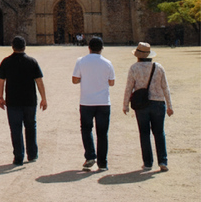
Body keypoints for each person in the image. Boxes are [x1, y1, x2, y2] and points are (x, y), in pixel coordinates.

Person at [0, 36, 48, 166]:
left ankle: (18, 157)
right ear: (24, 47)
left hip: (13, 101)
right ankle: (32, 154)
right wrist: (43, 98)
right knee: (31, 127)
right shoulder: (32, 61)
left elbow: (1, 81)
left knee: (15, 129)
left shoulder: (6, 62)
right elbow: (39, 81)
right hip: (29, 100)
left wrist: (0, 97)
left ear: (12, 47)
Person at [122, 42, 173, 172]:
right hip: (158, 103)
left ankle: (148, 163)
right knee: (159, 133)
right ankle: (163, 161)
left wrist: (125, 105)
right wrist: (169, 106)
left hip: (141, 104)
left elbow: (129, 87)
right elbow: (165, 87)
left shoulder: (134, 68)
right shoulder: (158, 67)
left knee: (144, 134)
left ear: (138, 56)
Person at [72, 36, 115, 171]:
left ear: (89, 47)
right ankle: (103, 163)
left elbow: (74, 80)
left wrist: (84, 79)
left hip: (86, 102)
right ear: (102, 49)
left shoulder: (81, 61)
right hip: (103, 102)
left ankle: (90, 156)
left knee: (86, 129)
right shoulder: (107, 63)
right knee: (102, 133)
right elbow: (112, 82)